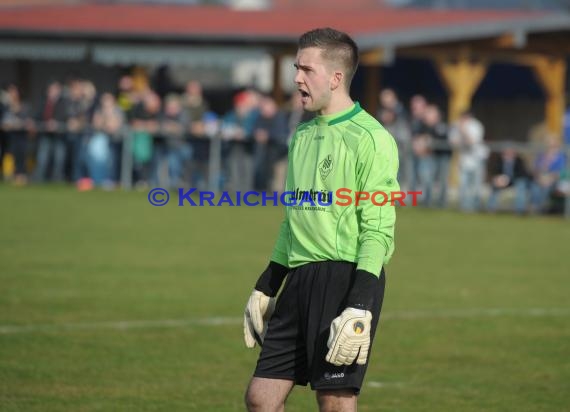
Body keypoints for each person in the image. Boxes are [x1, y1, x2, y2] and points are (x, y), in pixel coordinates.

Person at [243, 28, 399, 412]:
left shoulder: (372, 138)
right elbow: (292, 217)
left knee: (334, 402)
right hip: (299, 278)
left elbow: (378, 227)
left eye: (306, 69)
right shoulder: (302, 136)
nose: (297, 77)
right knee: (261, 400)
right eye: (297, 67)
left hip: (347, 278)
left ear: (336, 77)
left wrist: (360, 302)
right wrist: (268, 284)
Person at [486, 145, 530, 214]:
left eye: (510, 153)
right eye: (506, 153)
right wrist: (498, 179)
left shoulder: (519, 161)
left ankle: (519, 210)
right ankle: (491, 208)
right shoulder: (499, 161)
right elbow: (494, 172)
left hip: (515, 180)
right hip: (502, 181)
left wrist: (508, 179)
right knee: (495, 186)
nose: (508, 155)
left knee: (521, 185)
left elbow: (523, 173)